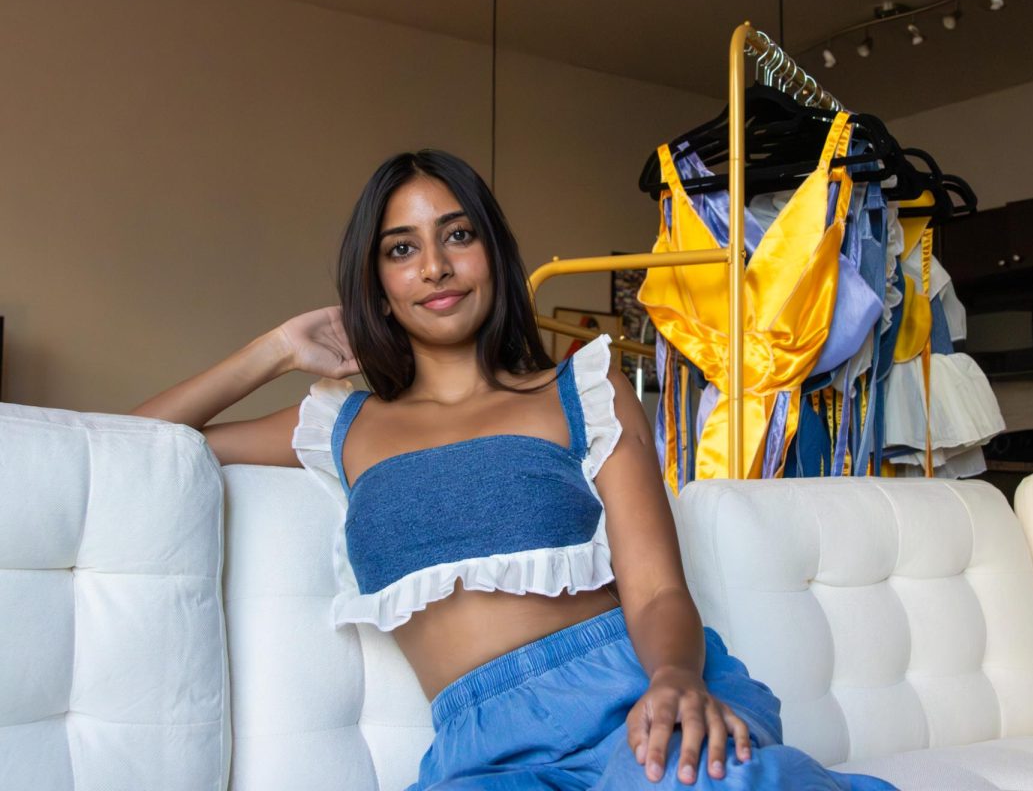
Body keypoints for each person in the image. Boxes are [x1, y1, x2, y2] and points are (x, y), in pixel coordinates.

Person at [134, 149, 896, 790]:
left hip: (629, 696)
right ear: (378, 284)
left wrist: (674, 678)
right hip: (478, 750)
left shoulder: (584, 391)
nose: (435, 266)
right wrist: (274, 349)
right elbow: (126, 442)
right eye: (402, 248)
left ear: (492, 251)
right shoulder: (344, 423)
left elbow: (660, 587)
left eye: (456, 235)